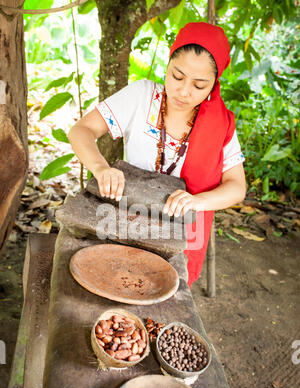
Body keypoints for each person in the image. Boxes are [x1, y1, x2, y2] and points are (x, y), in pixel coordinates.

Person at [67, 22, 247, 288]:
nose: (184, 91)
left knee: (162, 295)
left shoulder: (220, 125)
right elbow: (81, 130)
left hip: (178, 232)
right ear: (168, 65)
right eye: (177, 76)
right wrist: (100, 168)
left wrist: (196, 202)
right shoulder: (141, 97)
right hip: (125, 217)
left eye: (199, 85)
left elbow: (236, 187)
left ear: (213, 85)